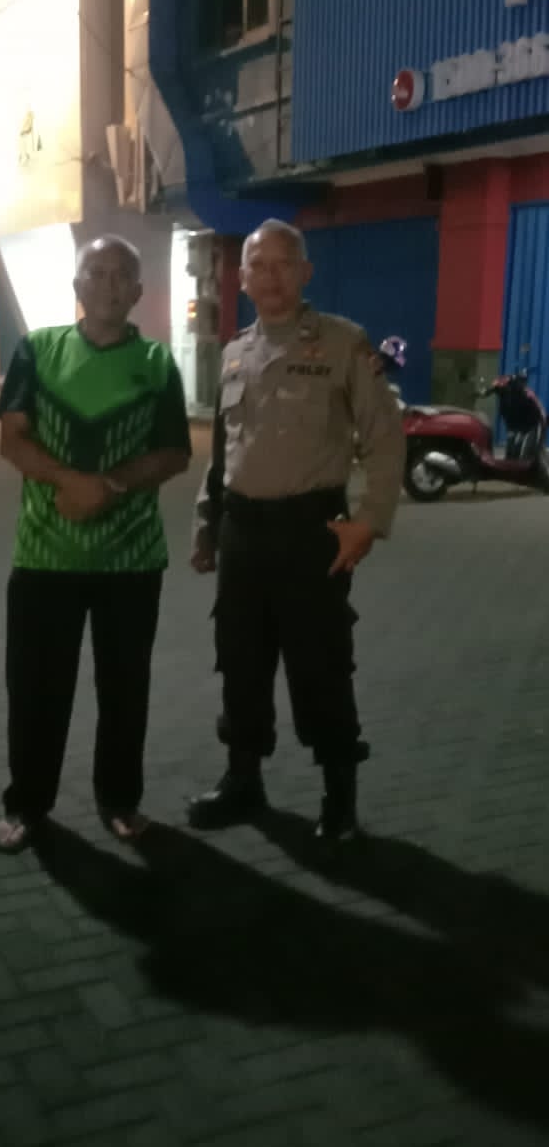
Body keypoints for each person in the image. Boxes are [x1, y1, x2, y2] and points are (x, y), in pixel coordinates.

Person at [188, 219, 405, 842]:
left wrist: (368, 522)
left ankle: (339, 799)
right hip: (243, 533)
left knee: (321, 665)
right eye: (259, 265)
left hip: (313, 532)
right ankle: (243, 780)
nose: (271, 276)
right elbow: (224, 453)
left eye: (284, 263)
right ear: (242, 278)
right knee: (240, 662)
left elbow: (385, 438)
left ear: (305, 273)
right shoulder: (236, 353)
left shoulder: (343, 344)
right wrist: (207, 522)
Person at [0, 235, 191, 852]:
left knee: (125, 690)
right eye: (95, 273)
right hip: (44, 556)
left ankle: (120, 801)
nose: (107, 284)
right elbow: (12, 440)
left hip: (130, 560)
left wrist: (112, 484)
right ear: (77, 286)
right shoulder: (37, 349)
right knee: (35, 689)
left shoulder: (157, 363)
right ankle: (27, 805)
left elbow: (174, 452)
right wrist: (69, 481)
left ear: (137, 291)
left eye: (120, 275)